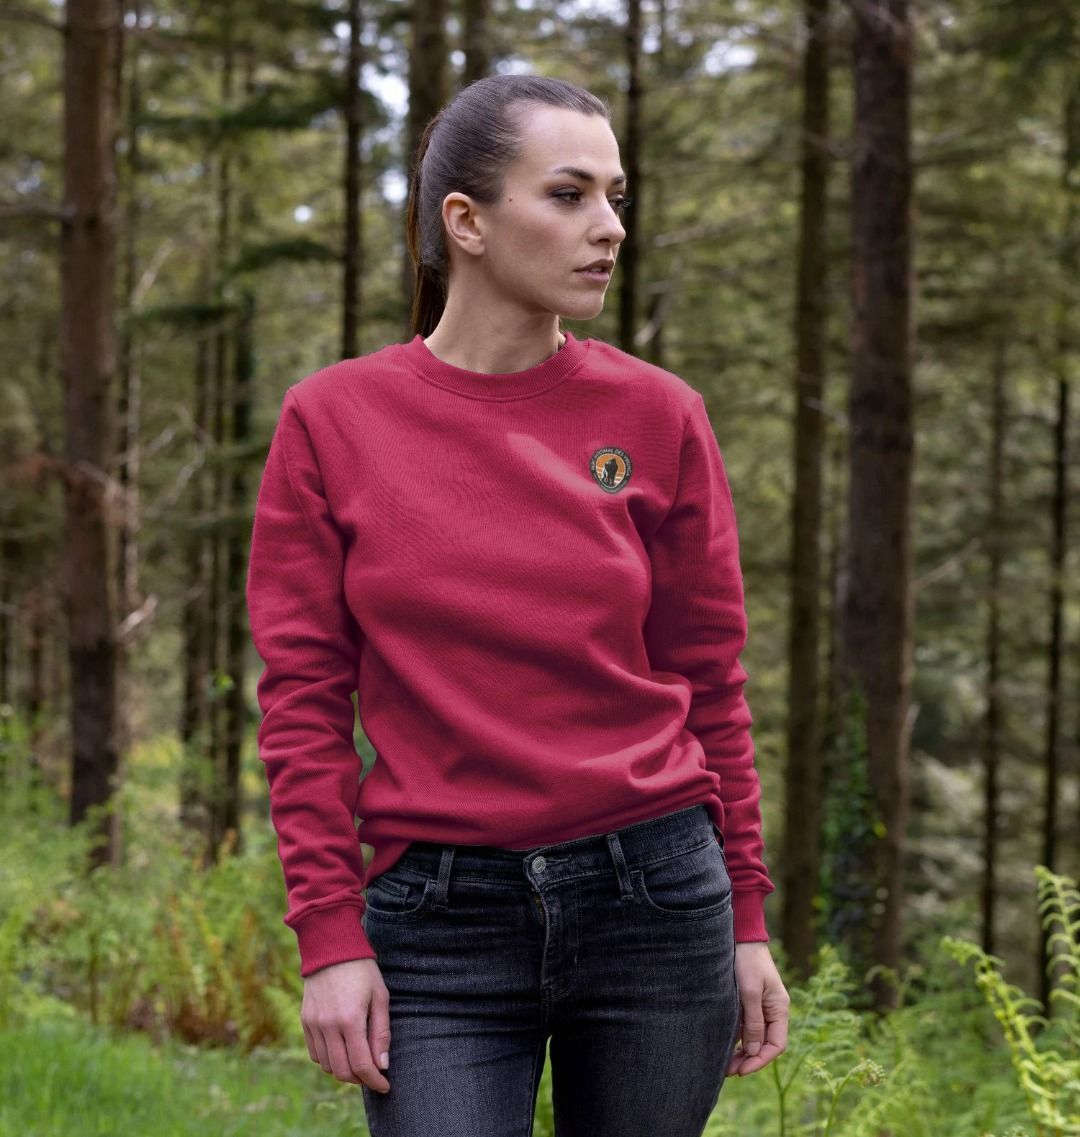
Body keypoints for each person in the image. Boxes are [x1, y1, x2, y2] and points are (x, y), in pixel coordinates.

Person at [246, 73, 790, 1137]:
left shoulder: (659, 414)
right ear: (469, 222)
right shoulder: (333, 421)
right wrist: (329, 938)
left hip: (658, 902)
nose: (610, 228)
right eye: (571, 195)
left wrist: (749, 918)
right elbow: (304, 700)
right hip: (439, 927)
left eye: (617, 197)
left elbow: (710, 682)